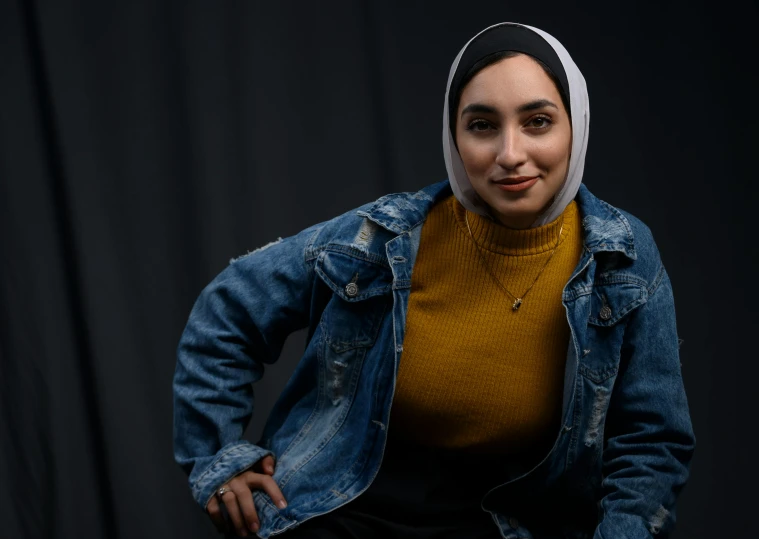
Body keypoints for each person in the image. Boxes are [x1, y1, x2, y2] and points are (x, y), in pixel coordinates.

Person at [173, 22, 695, 539]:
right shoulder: (379, 239)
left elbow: (652, 443)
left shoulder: (622, 257)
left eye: (537, 121)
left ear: (575, 125)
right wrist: (220, 461)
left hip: (515, 525)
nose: (510, 154)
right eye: (482, 125)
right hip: (344, 511)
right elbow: (229, 312)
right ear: (454, 136)